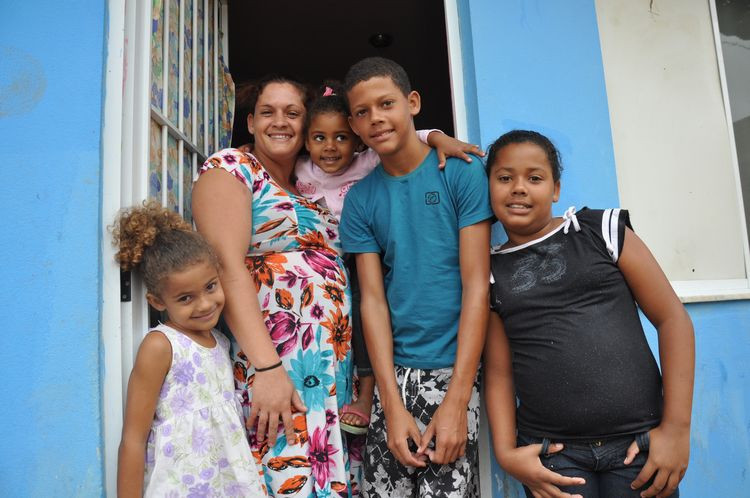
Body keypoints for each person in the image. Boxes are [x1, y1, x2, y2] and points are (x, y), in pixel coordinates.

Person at [483, 130, 695, 498]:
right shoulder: (489, 272)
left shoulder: (602, 231)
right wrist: (506, 452)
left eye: (534, 178)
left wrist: (676, 428)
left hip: (639, 446)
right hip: (553, 455)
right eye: (504, 178)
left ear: (555, 189)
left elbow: (672, 319)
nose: (519, 188)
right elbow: (499, 371)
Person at [192, 75, 357, 496]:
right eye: (267, 112)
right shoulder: (232, 168)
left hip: (330, 368)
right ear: (250, 121)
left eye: (292, 113)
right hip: (276, 363)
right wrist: (266, 368)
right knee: (286, 474)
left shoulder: (310, 186)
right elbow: (226, 267)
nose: (279, 122)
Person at [339, 57, 493, 497]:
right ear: (353, 122)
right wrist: (390, 402)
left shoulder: (460, 172)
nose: (376, 119)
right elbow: (372, 300)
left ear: (412, 103)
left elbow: (477, 285)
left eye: (386, 104)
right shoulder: (361, 201)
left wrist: (458, 399)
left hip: (456, 370)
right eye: (363, 112)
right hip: (395, 374)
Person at [295, 81, 484, 434]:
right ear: (306, 142)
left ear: (355, 140)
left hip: (362, 256)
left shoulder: (367, 161)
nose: (331, 147)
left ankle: (366, 394)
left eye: (340, 138)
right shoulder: (300, 168)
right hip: (326, 266)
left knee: (370, 305)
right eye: (319, 138)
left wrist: (441, 139)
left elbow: (411, 135)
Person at [113, 201, 265, 497]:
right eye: (185, 298)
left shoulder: (220, 341)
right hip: (180, 486)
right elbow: (133, 438)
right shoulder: (161, 345)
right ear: (158, 302)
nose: (205, 304)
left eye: (210, 287)